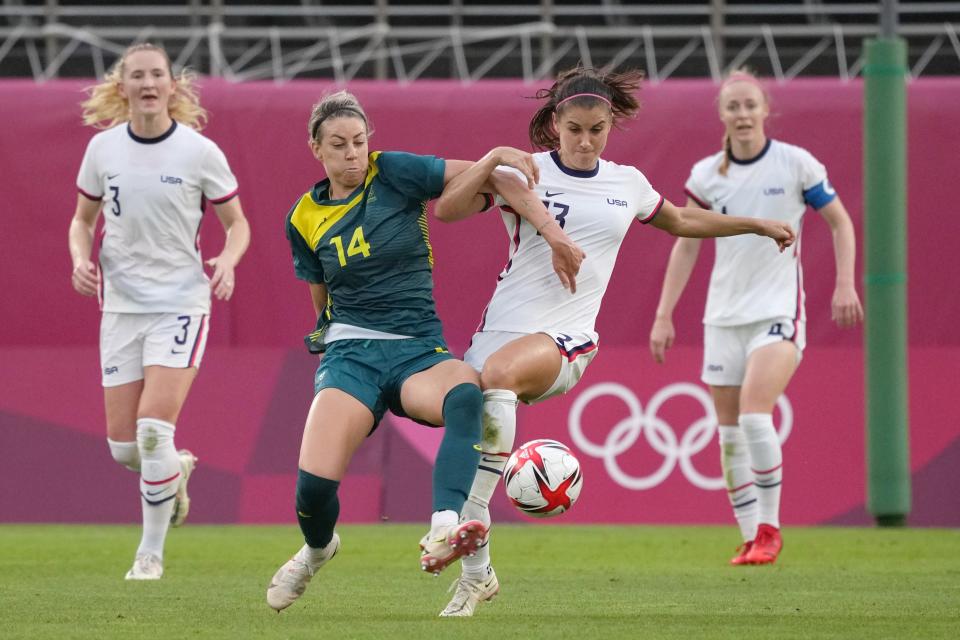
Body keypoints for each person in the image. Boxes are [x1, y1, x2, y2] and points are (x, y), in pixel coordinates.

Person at [430, 66, 796, 617]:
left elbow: (679, 220)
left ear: (610, 126)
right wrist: (490, 161)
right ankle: (477, 576)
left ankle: (467, 516)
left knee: (500, 379)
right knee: (470, 412)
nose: (584, 140)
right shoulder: (526, 173)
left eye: (596, 129)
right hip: (496, 334)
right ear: (555, 124)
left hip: (566, 337)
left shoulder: (626, 183)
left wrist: (755, 224)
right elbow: (448, 209)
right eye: (574, 128)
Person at [265, 90, 584, 613]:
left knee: (466, 390)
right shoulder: (301, 217)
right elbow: (318, 287)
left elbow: (488, 180)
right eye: (338, 145)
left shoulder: (390, 171)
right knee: (313, 492)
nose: (351, 153)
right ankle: (318, 550)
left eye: (359, 142)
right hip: (352, 356)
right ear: (315, 149)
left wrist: (525, 197)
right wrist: (324, 329)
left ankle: (444, 525)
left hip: (417, 349)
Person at [648, 70, 863, 566]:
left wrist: (846, 282)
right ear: (722, 115)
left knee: (753, 414)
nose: (742, 115)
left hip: (776, 310)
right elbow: (685, 243)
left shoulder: (795, 164)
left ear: (766, 109)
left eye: (750, 105)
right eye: (733, 107)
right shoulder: (707, 175)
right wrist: (664, 314)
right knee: (728, 436)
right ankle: (749, 537)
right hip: (722, 317)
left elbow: (839, 222)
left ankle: (770, 529)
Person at [68, 43, 251, 580]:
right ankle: (179, 470)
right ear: (121, 88)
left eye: (157, 75)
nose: (148, 84)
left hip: (180, 305)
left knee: (153, 431)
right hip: (121, 309)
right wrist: (80, 258)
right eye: (137, 76)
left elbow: (238, 224)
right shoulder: (103, 150)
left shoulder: (199, 152)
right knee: (127, 450)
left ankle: (149, 554)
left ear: (174, 86)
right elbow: (81, 220)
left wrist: (229, 261)